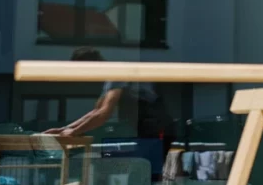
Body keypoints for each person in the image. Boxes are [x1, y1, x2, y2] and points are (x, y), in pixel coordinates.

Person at [43, 47, 177, 176]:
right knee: (142, 174)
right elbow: (96, 111)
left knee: (145, 175)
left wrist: (74, 132)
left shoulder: (116, 74)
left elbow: (104, 114)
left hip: (156, 130)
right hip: (147, 130)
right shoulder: (111, 78)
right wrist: (65, 128)